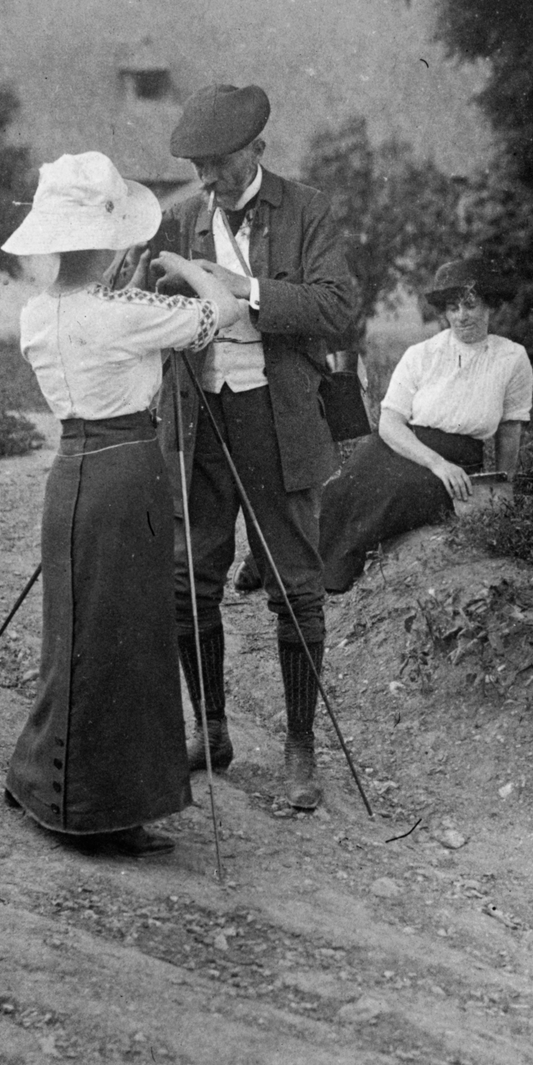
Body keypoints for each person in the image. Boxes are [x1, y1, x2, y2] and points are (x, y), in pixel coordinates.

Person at [1, 151, 246, 858]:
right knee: (129, 646)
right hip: (127, 473)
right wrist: (185, 265)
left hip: (71, 473)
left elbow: (98, 321)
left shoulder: (36, 315)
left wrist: (132, 283)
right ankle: (100, 814)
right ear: (111, 243)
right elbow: (221, 312)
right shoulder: (125, 313)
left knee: (72, 635)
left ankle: (40, 782)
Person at [152, 84, 356, 810]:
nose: (207, 178)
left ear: (257, 152)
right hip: (198, 418)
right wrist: (165, 290)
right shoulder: (178, 216)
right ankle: (210, 729)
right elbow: (145, 300)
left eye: (220, 164)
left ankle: (300, 749)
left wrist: (245, 287)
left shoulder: (307, 211)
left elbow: (335, 306)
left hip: (279, 420)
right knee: (186, 581)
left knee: (294, 588)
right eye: (199, 165)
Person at [318, 256, 533, 593]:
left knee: (391, 496)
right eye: (452, 307)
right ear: (444, 313)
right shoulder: (422, 354)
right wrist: (435, 462)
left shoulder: (512, 358)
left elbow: (510, 429)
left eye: (471, 305)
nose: (461, 316)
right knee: (342, 488)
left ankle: (327, 577)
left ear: (489, 306)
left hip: (460, 460)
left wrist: (503, 490)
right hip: (402, 445)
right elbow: (390, 423)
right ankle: (278, 564)